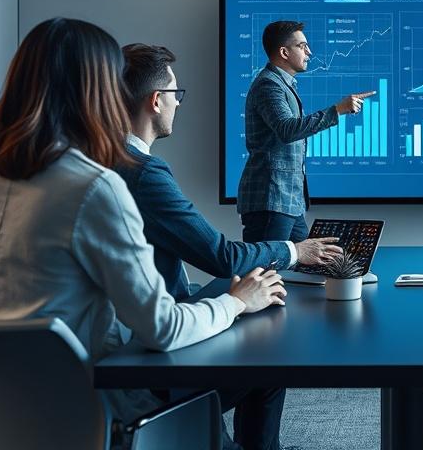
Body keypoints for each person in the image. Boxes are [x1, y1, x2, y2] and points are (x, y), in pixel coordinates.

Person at [0, 18, 286, 447]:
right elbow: (163, 329)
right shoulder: (95, 187)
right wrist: (233, 302)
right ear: (97, 89)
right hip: (97, 406)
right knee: (262, 353)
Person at [114, 42, 344, 450]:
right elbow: (221, 256)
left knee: (263, 307)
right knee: (268, 355)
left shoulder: (109, 162)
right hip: (153, 361)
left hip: (140, 335)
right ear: (154, 101)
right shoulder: (142, 174)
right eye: (175, 94)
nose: (178, 104)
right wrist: (296, 251)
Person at [237, 20, 375, 243]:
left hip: (289, 200)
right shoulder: (268, 85)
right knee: (265, 272)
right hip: (272, 200)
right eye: (302, 46)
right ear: (284, 52)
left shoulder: (282, 84)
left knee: (310, 264)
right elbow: (287, 129)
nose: (309, 52)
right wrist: (337, 110)